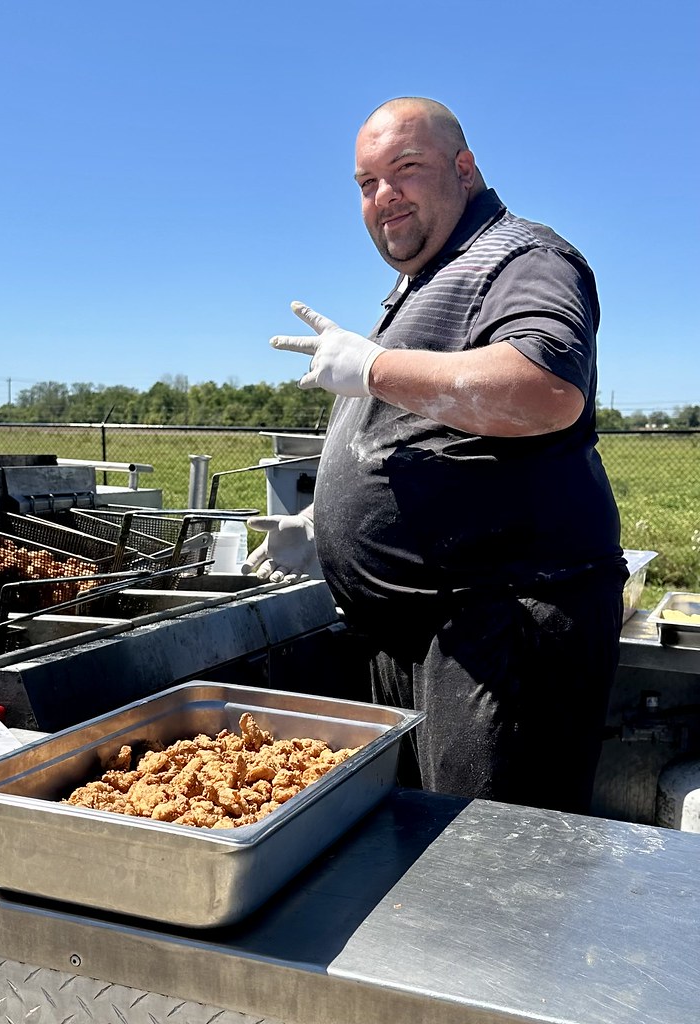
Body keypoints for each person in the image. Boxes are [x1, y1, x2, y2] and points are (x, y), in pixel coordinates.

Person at [243, 96, 627, 815]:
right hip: (425, 632)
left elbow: (545, 391)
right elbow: (436, 443)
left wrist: (375, 369)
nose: (384, 196)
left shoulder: (520, 256)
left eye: (405, 169)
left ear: (465, 167)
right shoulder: (425, 279)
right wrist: (327, 536)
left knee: (490, 875)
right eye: (366, 184)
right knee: (425, 860)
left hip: (503, 632)